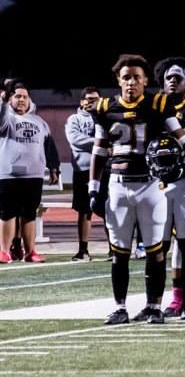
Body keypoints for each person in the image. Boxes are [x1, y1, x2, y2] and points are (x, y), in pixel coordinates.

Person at [89, 54, 185, 324]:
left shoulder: (159, 103)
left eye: (137, 77)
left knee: (155, 249)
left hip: (150, 184)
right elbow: (99, 151)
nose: (132, 82)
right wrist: (93, 188)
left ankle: (154, 306)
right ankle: (120, 307)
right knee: (119, 252)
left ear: (146, 80)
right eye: (126, 77)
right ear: (118, 80)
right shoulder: (104, 107)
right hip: (118, 184)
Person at [0, 81, 60, 263]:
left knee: (29, 214)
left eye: (25, 97)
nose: (21, 100)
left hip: (33, 176)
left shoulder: (39, 122)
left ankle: (30, 251)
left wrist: (54, 167)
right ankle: (4, 251)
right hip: (8, 175)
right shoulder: (7, 118)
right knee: (7, 213)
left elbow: (49, 146)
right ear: (10, 99)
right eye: (17, 96)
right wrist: (2, 103)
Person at [65, 86, 100, 261]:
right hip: (83, 169)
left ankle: (114, 249)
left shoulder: (106, 117)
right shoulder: (74, 119)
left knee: (109, 209)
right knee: (84, 210)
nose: (92, 102)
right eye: (89, 99)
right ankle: (83, 250)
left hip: (104, 169)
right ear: (82, 101)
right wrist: (100, 142)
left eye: (96, 99)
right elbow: (75, 140)